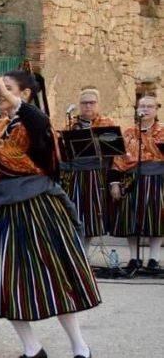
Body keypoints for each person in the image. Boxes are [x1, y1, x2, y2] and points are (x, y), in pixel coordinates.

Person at [0, 71, 100, 358]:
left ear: (25, 95)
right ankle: (32, 349)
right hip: (5, 209)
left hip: (40, 208)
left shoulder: (35, 124)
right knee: (2, 281)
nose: (0, 94)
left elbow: (38, 123)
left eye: (7, 89)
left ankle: (80, 348)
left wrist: (12, 100)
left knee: (56, 280)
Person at [109, 93, 164, 270]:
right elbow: (117, 159)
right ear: (137, 110)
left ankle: (154, 258)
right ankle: (134, 257)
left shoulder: (163, 131)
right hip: (131, 179)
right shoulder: (128, 133)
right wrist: (115, 183)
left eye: (150, 106)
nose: (145, 109)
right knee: (131, 218)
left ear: (156, 110)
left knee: (157, 219)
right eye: (142, 106)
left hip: (158, 179)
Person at [60, 87, 116, 244]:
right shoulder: (72, 124)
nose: (88, 106)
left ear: (98, 104)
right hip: (74, 174)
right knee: (74, 211)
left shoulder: (107, 123)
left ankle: (86, 251)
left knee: (91, 214)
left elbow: (114, 152)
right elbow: (63, 150)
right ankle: (75, 250)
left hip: (96, 174)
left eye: (92, 103)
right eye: (84, 103)